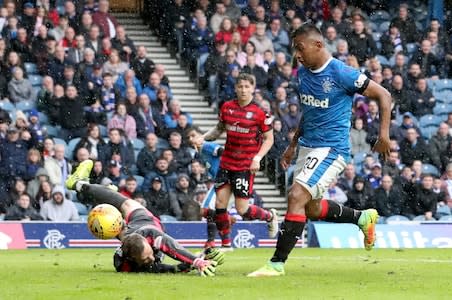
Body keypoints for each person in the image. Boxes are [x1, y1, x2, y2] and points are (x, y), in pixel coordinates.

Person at [248, 24, 391, 277]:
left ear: (318, 45)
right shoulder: (303, 73)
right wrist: (293, 145)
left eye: (300, 49)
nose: (297, 55)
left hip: (331, 148)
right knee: (311, 208)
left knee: (296, 196)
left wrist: (383, 135)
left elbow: (383, 94)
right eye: (294, 50)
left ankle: (276, 263)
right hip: (307, 147)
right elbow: (309, 111)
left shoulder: (341, 73)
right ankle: (362, 218)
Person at [65, 159, 222, 275]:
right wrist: (197, 260)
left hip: (142, 222)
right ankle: (105, 192)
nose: (152, 259)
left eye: (150, 255)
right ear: (132, 258)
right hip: (136, 228)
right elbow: (170, 268)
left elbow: (171, 247)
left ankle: (79, 185)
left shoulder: (149, 236)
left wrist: (197, 260)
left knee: (126, 206)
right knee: (120, 218)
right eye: (147, 259)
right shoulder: (123, 263)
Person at [203, 73, 278, 248]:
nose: (243, 90)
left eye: (247, 86)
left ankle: (270, 216)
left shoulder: (260, 113)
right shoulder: (227, 107)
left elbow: (269, 139)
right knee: (219, 204)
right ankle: (226, 244)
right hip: (226, 162)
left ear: (252, 88)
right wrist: (203, 138)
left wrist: (257, 158)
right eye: (240, 86)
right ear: (236, 88)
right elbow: (218, 130)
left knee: (242, 209)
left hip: (245, 165)